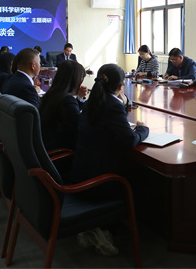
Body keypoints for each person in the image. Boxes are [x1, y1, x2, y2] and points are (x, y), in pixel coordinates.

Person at [71, 63, 148, 256]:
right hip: (99, 182)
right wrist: (142, 129)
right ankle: (107, 228)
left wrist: (123, 103)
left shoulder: (93, 100)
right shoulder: (112, 105)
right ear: (121, 86)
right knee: (143, 184)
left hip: (81, 171)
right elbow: (130, 140)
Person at [39, 60, 87, 151]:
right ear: (75, 81)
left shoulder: (51, 95)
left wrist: (79, 98)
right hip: (61, 152)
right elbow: (80, 128)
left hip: (47, 146)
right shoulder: (67, 101)